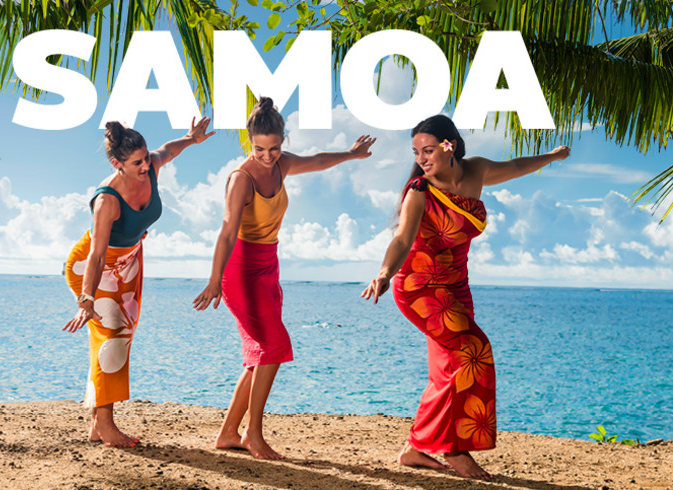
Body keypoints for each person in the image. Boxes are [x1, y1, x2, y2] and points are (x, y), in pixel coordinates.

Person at [361, 114, 569, 479]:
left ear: (449, 145)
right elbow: (402, 238)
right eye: (416, 152)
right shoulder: (419, 191)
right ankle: (454, 448)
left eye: (428, 150)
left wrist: (550, 156)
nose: (421, 158)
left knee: (447, 370)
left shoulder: (476, 171)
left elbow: (515, 166)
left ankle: (415, 448)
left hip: (457, 286)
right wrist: (383, 273)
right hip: (420, 287)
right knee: (475, 351)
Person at [193, 97, 376, 460]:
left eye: (274, 148)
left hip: (268, 267)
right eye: (260, 149)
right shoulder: (240, 179)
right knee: (273, 346)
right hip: (240, 270)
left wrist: (352, 155)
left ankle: (228, 433)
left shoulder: (283, 164)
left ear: (283, 141)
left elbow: (318, 160)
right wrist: (214, 280)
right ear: (250, 143)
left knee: (260, 356)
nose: (267, 156)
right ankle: (253, 434)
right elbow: (227, 231)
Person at [63, 117, 214, 447]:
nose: (146, 165)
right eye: (137, 163)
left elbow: (167, 150)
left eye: (146, 157)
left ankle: (97, 424)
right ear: (117, 164)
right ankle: (105, 425)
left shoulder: (152, 166)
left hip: (128, 261)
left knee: (122, 336)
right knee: (112, 338)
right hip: (94, 267)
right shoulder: (107, 200)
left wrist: (191, 138)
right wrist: (86, 299)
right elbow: (96, 255)